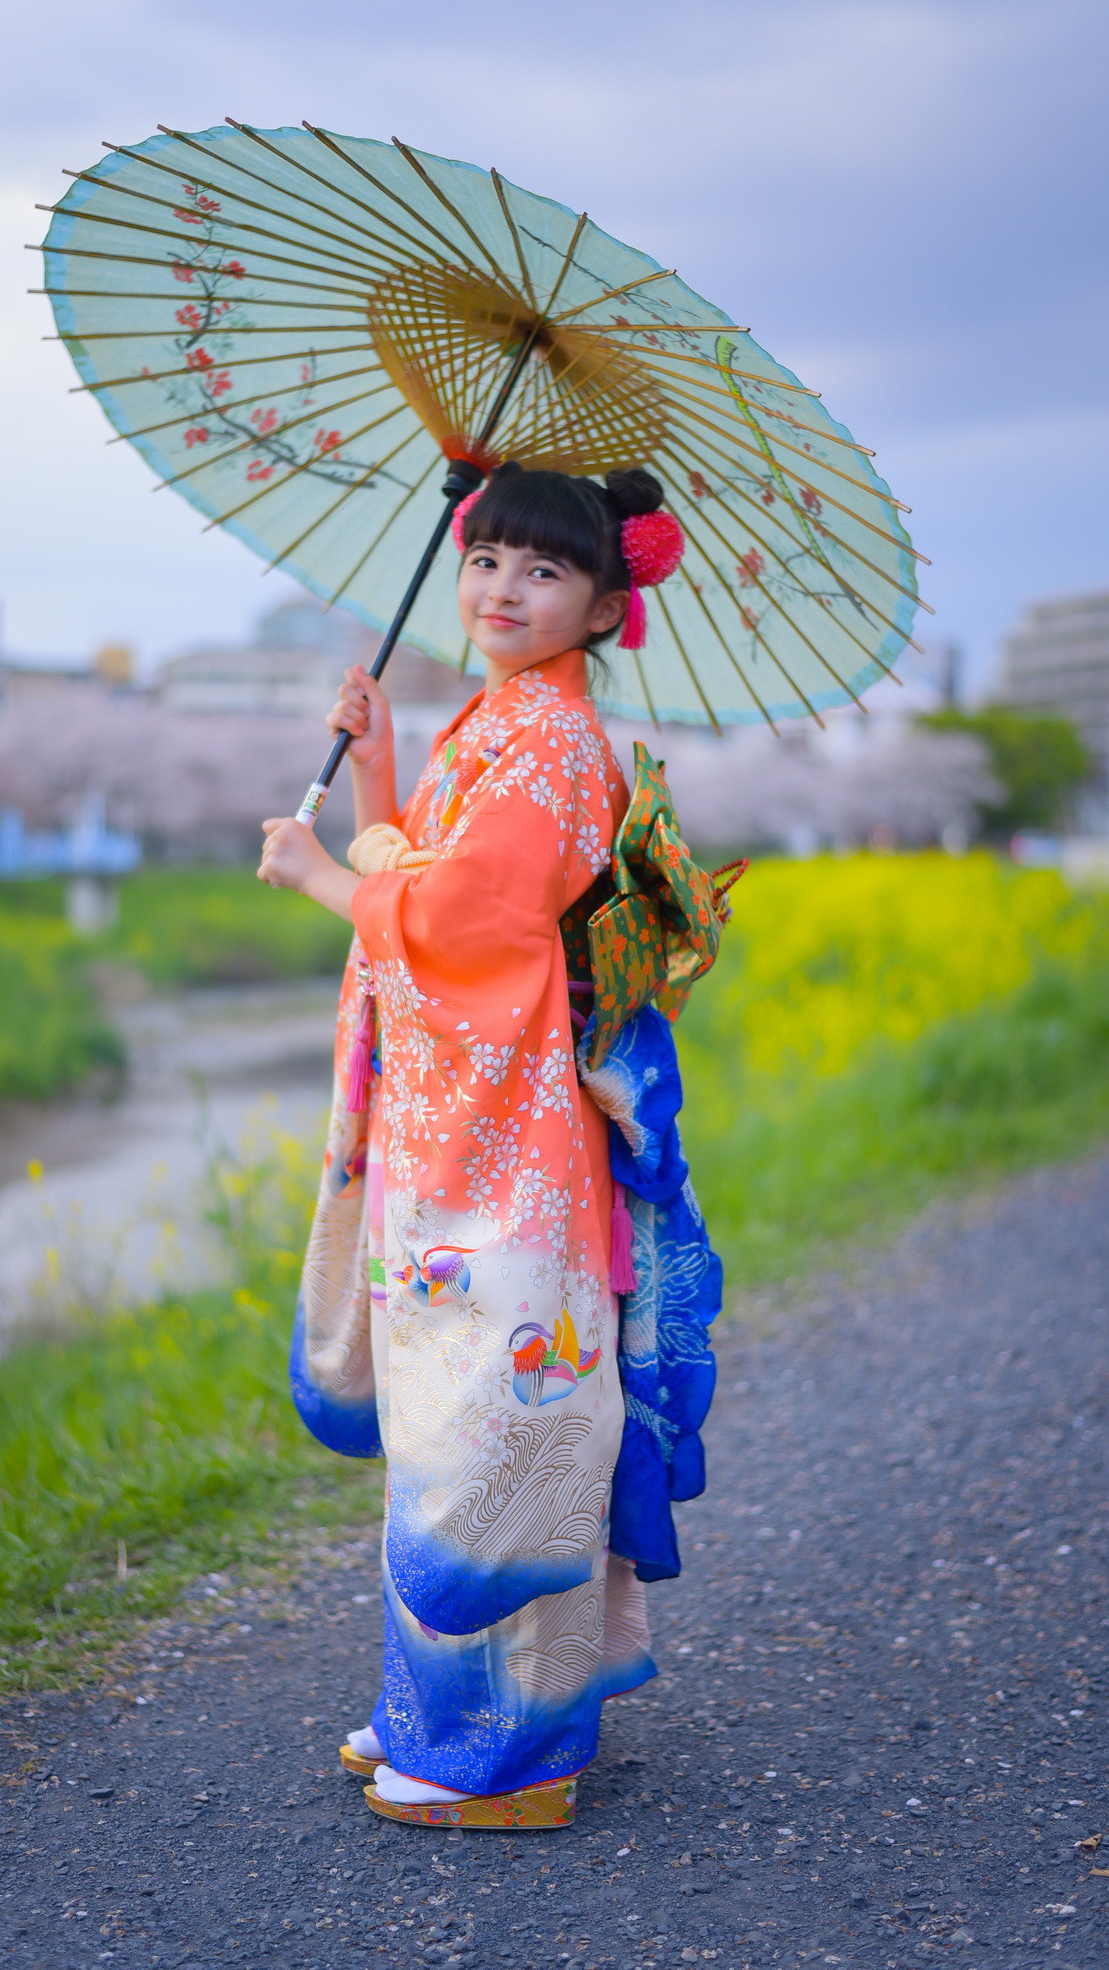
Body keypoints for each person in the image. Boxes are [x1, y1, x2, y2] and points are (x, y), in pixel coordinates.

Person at [258, 461, 702, 1833]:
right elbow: (439, 880)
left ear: (603, 605)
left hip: (507, 1168)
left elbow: (478, 929)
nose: (504, 589)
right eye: (488, 559)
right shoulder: (503, 722)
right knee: (453, 1428)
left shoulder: (557, 743)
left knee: (496, 1444)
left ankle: (511, 1760)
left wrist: (324, 875)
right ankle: (437, 1719)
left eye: (544, 570)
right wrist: (384, 766)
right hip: (467, 1149)